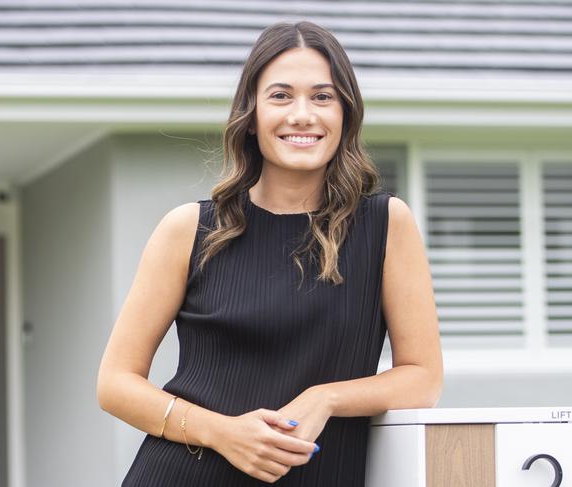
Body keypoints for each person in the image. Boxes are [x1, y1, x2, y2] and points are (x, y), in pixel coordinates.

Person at [97, 20, 443, 486]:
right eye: (281, 96)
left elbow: (422, 378)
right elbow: (115, 384)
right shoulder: (189, 229)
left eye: (322, 96)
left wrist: (326, 398)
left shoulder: (386, 225)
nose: (302, 115)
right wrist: (223, 433)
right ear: (252, 114)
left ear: (345, 113)